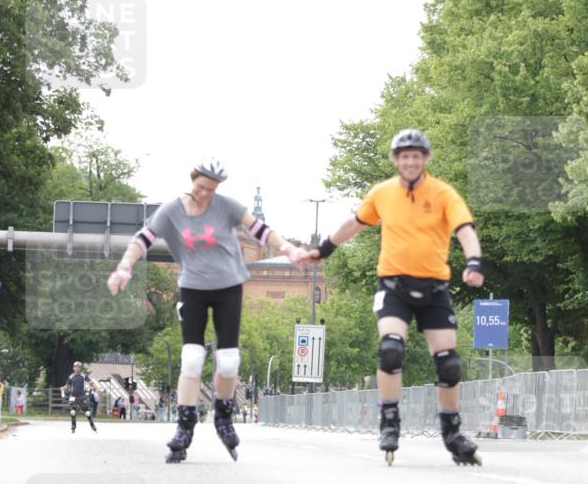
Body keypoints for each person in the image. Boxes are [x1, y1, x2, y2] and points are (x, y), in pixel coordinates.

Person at [303, 128, 485, 466]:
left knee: (449, 362)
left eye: (416, 156)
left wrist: (473, 262)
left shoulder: (443, 193)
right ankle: (389, 422)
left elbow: (465, 230)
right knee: (391, 349)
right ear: (396, 160)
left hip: (435, 288)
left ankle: (452, 432)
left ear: (425, 159)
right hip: (393, 286)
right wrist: (324, 249)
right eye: (404, 156)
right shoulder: (383, 193)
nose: (410, 162)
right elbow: (355, 224)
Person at [107, 156, 304, 463]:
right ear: (192, 180)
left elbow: (260, 230)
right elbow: (142, 239)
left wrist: (288, 249)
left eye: (212, 189)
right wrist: (124, 267)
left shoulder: (225, 206)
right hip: (193, 288)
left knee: (228, 360)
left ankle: (223, 416)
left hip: (228, 287)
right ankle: (184, 427)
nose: (205, 194)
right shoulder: (172, 211)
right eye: (201, 187)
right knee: (191, 358)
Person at [63, 362, 98, 434]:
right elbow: (67, 385)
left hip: (82, 396)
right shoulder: (71, 376)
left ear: (80, 368)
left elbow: (90, 382)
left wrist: (95, 387)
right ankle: (73, 426)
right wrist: (63, 388)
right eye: (75, 367)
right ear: (73, 368)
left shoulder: (83, 375)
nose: (77, 368)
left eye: (78, 367)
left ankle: (92, 425)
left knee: (87, 413)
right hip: (73, 396)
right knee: (72, 411)